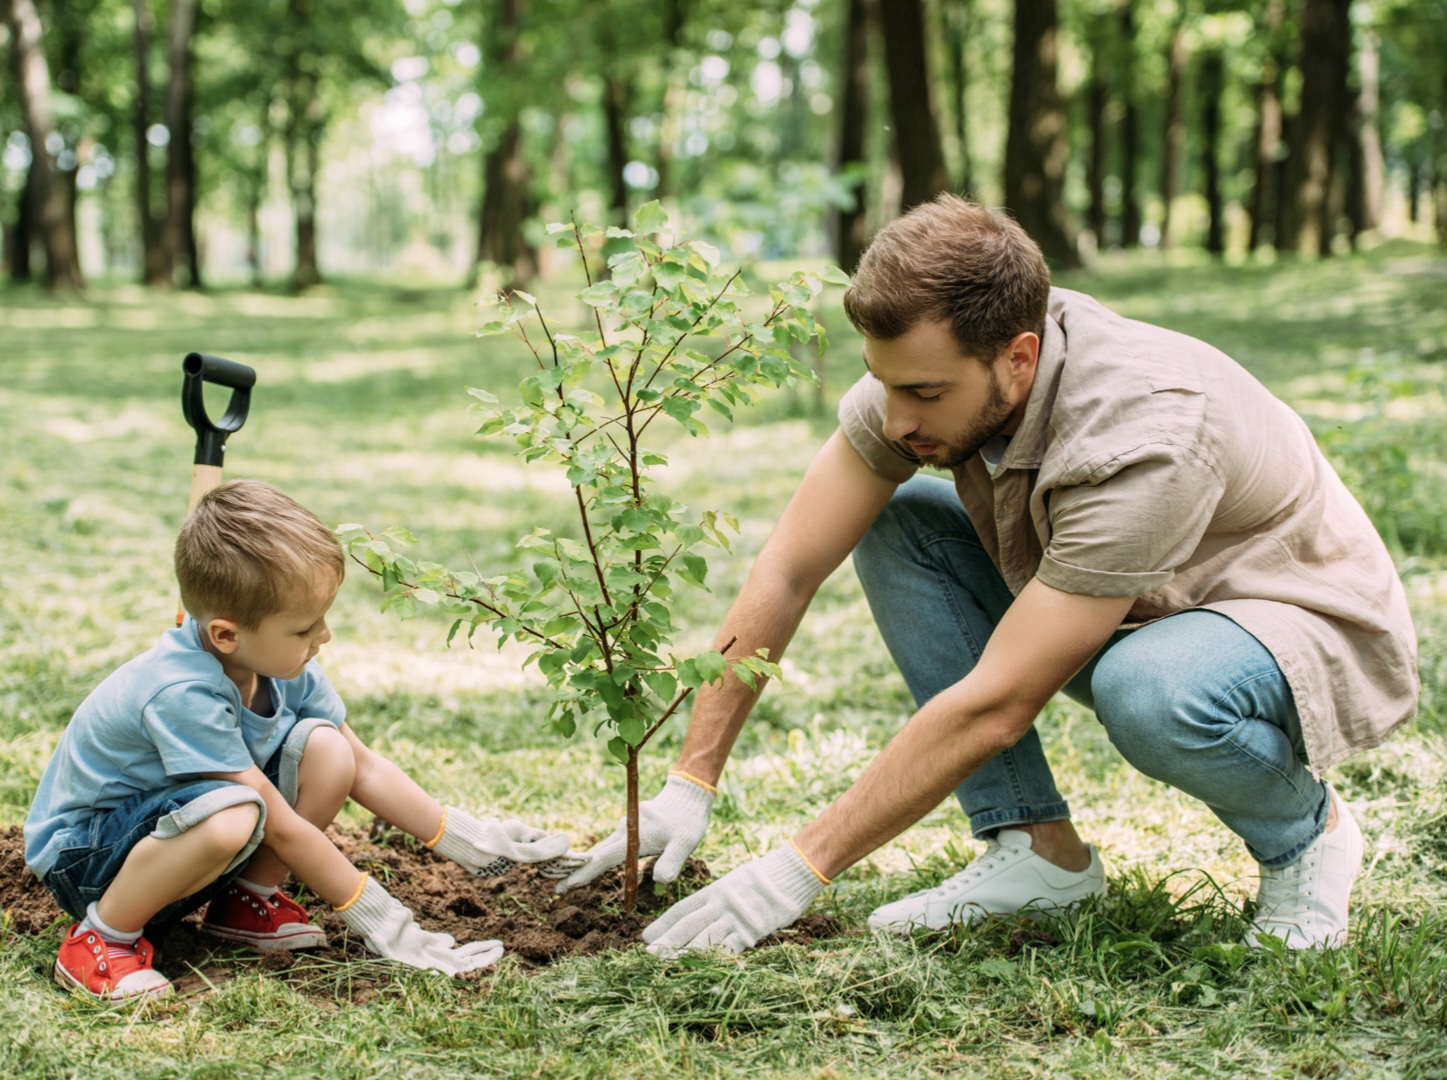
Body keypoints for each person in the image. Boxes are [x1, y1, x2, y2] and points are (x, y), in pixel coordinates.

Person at [560, 195, 1419, 956]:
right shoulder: (921, 377)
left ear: (1017, 355)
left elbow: (999, 701)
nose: (898, 420)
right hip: (1134, 597)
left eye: (925, 395)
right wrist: (689, 780)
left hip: (1287, 620)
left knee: (1147, 688)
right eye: (882, 383)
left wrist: (795, 868)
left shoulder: (1144, 432)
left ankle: (1306, 838)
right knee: (900, 525)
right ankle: (1037, 855)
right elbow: (788, 565)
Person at [25, 480, 581, 1000]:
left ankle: (245, 903)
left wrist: (469, 840)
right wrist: (385, 921)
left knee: (327, 750)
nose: (324, 636)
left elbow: (362, 767)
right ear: (225, 634)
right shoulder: (180, 692)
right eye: (303, 627)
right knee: (235, 812)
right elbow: (282, 826)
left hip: (171, 841)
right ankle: (100, 941)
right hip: (90, 860)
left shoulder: (278, 663)